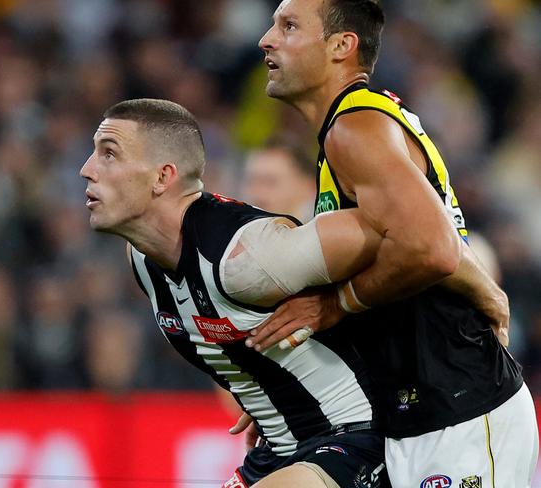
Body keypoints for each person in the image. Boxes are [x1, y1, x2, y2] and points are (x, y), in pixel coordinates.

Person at [81, 99, 509, 488]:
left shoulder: (249, 257)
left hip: (356, 439)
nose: (87, 168)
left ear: (163, 177)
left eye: (109, 153)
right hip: (278, 449)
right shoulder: (142, 259)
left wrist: (486, 292)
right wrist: (268, 383)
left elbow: (412, 233)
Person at [243, 0, 538, 486]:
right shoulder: (352, 131)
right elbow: (427, 242)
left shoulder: (355, 129)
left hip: (459, 406)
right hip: (419, 414)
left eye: (289, 25)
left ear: (342, 46)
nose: (266, 39)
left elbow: (433, 249)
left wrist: (335, 304)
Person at [242, 137, 315, 223]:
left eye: (270, 182)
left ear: (308, 187)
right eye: (251, 182)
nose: (257, 194)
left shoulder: (326, 233)